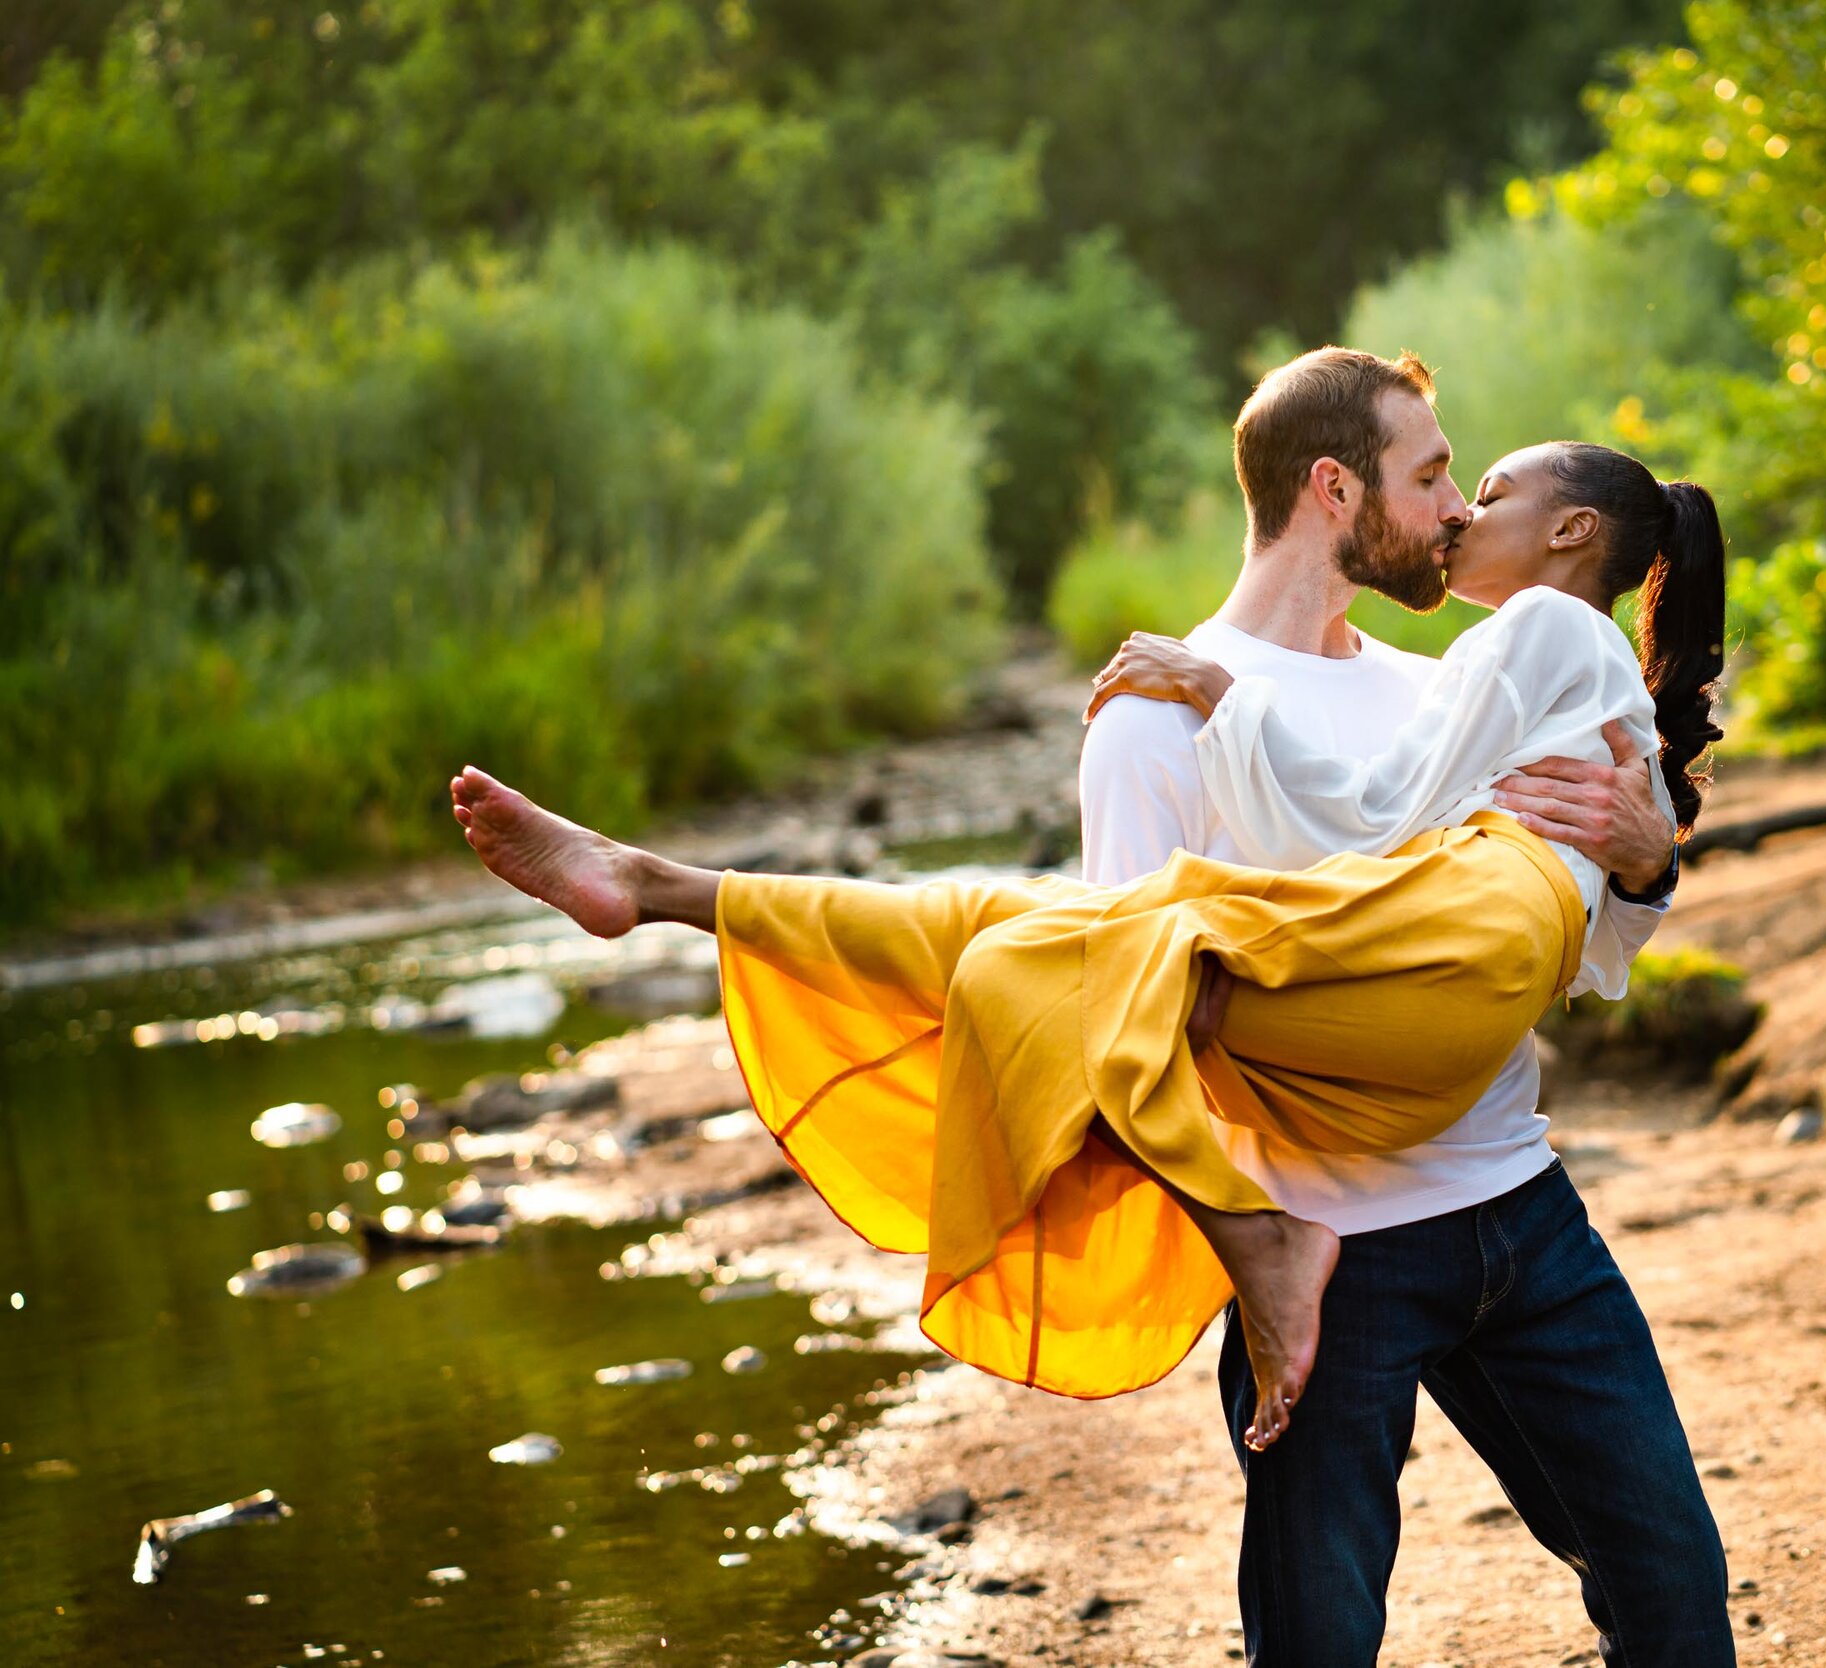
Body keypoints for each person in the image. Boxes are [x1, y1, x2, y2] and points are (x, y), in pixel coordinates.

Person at [449, 346, 1736, 1663]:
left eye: (1466, 478)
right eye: (1433, 475)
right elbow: (1114, 1009)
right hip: (1331, 1234)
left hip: (1519, 1207)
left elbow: (1540, 946)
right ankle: (659, 884)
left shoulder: (1445, 685)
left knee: (1671, 1574)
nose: (1459, 505)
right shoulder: (1152, 714)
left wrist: (1645, 863)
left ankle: (661, 884)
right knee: (1319, 1634)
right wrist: (1252, 1243)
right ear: (1334, 490)